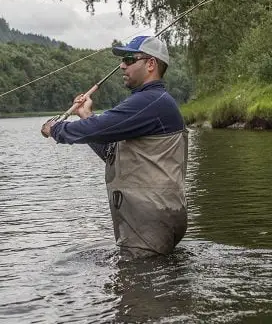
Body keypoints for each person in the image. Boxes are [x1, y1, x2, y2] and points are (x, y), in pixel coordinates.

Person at [41, 35, 188, 259]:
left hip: (149, 221)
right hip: (156, 217)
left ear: (150, 64)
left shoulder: (150, 102)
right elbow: (112, 153)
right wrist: (86, 116)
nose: (122, 65)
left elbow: (97, 128)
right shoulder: (151, 103)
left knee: (140, 288)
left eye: (129, 59)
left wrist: (56, 129)